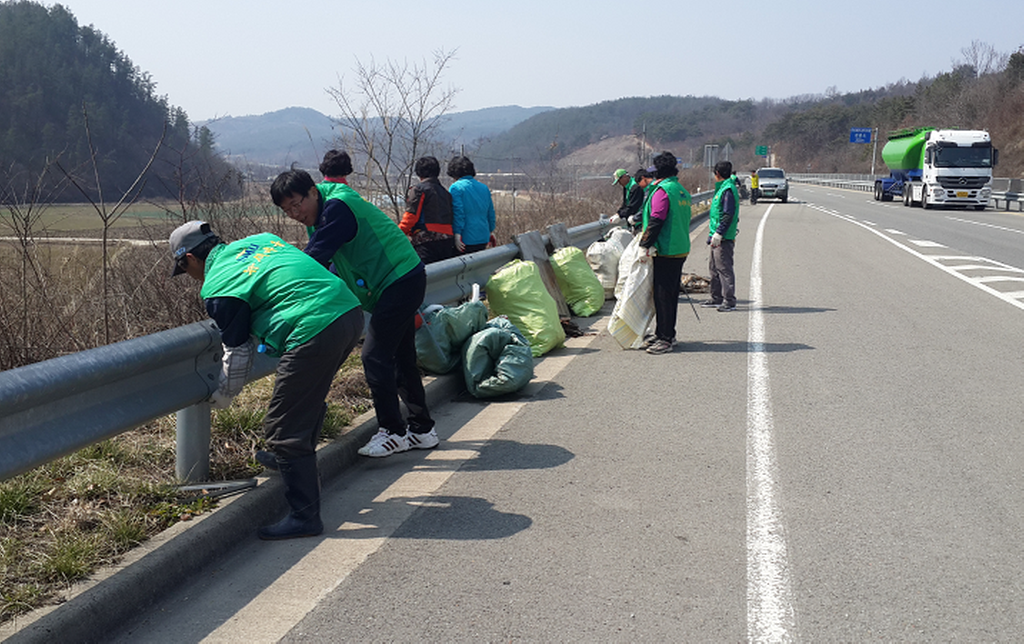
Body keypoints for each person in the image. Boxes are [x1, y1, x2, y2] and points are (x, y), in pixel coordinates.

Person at [169, 220, 364, 540]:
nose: (190, 277)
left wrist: (223, 395)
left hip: (313, 328)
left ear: (189, 259)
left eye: (185, 269)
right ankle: (288, 458)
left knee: (283, 427)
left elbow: (239, 351)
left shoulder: (217, 286)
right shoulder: (261, 240)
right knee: (304, 401)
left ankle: (305, 517)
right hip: (347, 312)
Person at [270, 169, 438, 459]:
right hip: (399, 278)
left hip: (397, 279)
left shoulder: (337, 208)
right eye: (287, 210)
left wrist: (275, 289)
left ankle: (393, 432)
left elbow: (315, 259)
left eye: (297, 204)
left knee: (374, 356)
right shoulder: (323, 209)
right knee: (400, 357)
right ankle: (422, 430)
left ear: (313, 190)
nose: (295, 213)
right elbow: (334, 261)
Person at [637, 151, 692, 355]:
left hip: (666, 250)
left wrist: (645, 244)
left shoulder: (662, 191)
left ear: (658, 171)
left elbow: (657, 219)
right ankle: (666, 332)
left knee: (663, 296)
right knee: (669, 294)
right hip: (679, 248)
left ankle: (666, 338)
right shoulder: (680, 190)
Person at [398, 156, 457, 263]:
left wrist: (397, 233)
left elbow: (411, 217)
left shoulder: (419, 190)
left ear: (419, 172)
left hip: (426, 242)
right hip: (448, 241)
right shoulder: (446, 193)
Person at [702, 161, 740, 312]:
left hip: (723, 237)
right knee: (714, 268)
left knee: (724, 268)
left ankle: (729, 301)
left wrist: (719, 233)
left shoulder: (728, 190)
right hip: (715, 236)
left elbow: (727, 214)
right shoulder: (723, 188)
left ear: (717, 173)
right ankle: (716, 298)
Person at [446, 156, 496, 253]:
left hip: (465, 238)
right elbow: (491, 213)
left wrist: (457, 233)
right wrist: (490, 230)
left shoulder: (456, 188)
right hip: (483, 236)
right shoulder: (484, 188)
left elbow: (458, 213)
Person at [609, 168, 652, 233]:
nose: (620, 183)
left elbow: (634, 205)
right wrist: (618, 213)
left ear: (624, 177)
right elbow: (625, 203)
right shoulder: (626, 187)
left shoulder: (635, 187)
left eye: (620, 180)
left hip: (639, 220)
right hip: (633, 219)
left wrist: (621, 215)